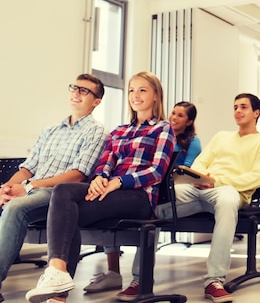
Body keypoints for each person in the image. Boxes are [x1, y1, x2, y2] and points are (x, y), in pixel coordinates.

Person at [25, 71, 175, 303]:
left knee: (69, 212)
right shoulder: (119, 131)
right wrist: (99, 178)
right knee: (64, 193)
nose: (135, 95)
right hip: (110, 191)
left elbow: (156, 171)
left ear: (156, 96)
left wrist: (118, 181)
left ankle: (58, 293)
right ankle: (57, 275)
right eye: (132, 90)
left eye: (143, 90)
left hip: (138, 197)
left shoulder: (163, 129)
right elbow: (105, 163)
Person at [115, 93, 260, 303]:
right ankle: (140, 280)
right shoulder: (221, 137)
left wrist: (215, 181)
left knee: (227, 201)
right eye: (235, 107)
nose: (237, 111)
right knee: (158, 204)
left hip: (230, 191)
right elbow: (201, 162)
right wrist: (197, 178)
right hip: (200, 189)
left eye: (243, 107)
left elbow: (255, 177)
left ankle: (214, 280)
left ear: (256, 113)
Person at [0, 74, 107, 303]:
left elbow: (78, 174)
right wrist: (7, 187)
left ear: (96, 101)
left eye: (84, 91)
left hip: (58, 194)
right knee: (9, 199)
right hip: (33, 188)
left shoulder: (96, 131)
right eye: (74, 88)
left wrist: (27, 188)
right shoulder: (50, 130)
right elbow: (28, 168)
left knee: (16, 207)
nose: (76, 93)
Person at [83, 101, 202, 294]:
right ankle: (114, 272)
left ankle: (139, 279)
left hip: (166, 187)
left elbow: (185, 168)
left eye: (181, 115)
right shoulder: (140, 132)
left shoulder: (189, 141)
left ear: (189, 121)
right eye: (174, 113)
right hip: (143, 182)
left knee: (120, 206)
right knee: (102, 197)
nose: (174, 117)